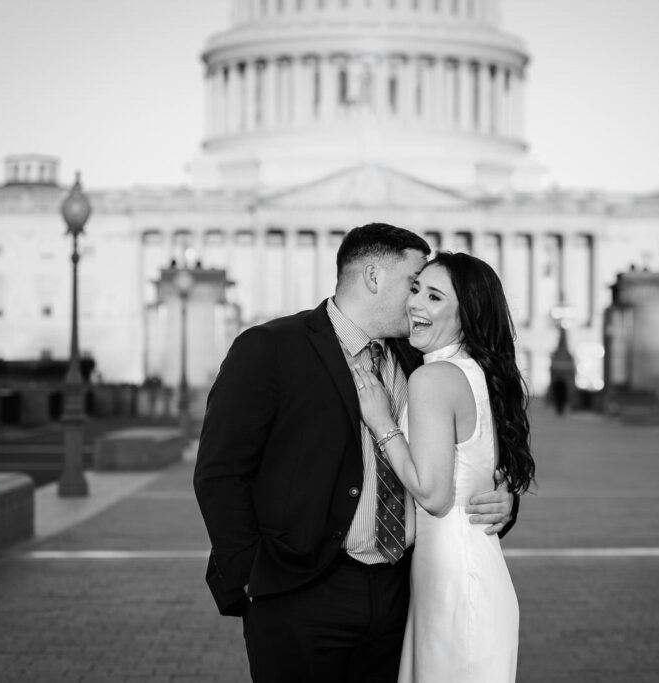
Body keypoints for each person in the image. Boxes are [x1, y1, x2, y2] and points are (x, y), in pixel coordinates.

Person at [194, 223, 519, 683]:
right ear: (372, 277)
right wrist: (252, 575)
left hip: (401, 593)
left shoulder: (420, 358)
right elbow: (219, 473)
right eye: (413, 285)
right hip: (302, 592)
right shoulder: (270, 348)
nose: (415, 301)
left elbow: (466, 451)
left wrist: (502, 501)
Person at [352, 251, 534, 682]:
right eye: (416, 289)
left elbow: (433, 496)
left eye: (435, 297)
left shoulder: (431, 378)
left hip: (453, 582)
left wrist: (381, 423)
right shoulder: (475, 372)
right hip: (464, 572)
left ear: (466, 315)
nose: (416, 303)